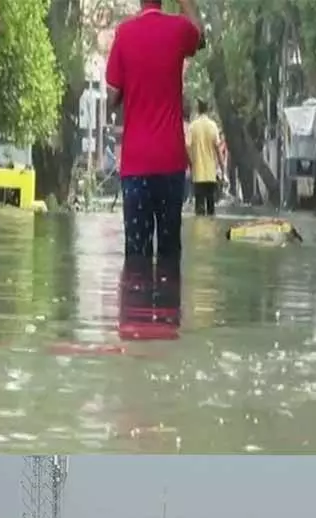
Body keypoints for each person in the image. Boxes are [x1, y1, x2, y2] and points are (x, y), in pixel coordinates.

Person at [106, 0, 202, 333]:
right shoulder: (178, 30)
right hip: (170, 162)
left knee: (136, 254)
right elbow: (200, 36)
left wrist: (128, 91)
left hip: (136, 165)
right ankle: (167, 326)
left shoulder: (124, 33)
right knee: (170, 251)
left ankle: (137, 326)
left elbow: (112, 96)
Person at [187, 100, 223, 216]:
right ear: (207, 109)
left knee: (199, 208)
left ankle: (200, 225)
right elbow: (218, 149)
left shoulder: (192, 127)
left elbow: (187, 146)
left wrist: (191, 162)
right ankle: (210, 225)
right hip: (210, 173)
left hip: (198, 173)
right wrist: (222, 167)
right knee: (211, 206)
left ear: (198, 109)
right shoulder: (213, 126)